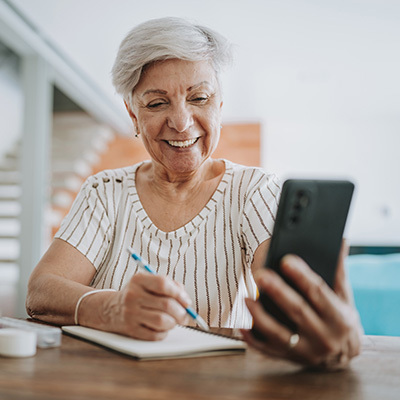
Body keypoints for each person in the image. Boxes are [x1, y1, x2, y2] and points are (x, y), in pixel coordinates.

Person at [26, 17, 362, 368]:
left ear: (219, 105)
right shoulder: (104, 192)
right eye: (156, 104)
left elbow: (292, 305)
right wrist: (111, 308)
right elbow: (41, 292)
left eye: (199, 97)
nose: (182, 122)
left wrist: (318, 323)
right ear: (133, 115)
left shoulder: (253, 191)